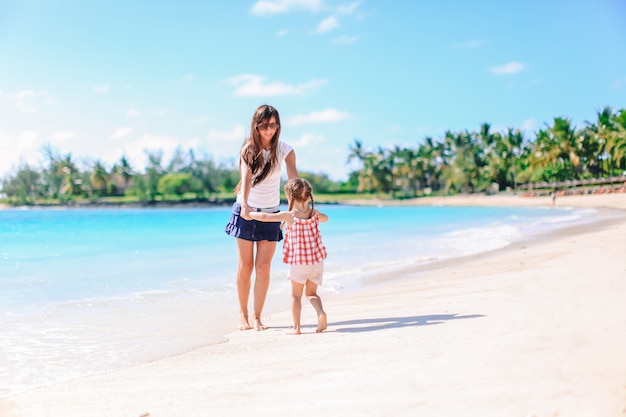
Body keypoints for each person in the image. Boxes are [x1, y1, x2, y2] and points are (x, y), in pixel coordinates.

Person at [224, 105, 298, 331]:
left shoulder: (285, 150)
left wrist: (292, 212)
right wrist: (244, 203)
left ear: (278, 126)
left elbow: (293, 184)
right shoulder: (248, 149)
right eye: (264, 125)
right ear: (256, 125)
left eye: (273, 125)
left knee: (263, 267)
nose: (269, 130)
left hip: (273, 212)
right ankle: (243, 315)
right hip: (247, 210)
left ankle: (257, 317)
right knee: (245, 266)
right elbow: (246, 178)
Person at [249, 178, 328, 334]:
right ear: (308, 196)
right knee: (312, 294)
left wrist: (250, 214)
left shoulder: (289, 216)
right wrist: (318, 214)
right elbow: (326, 218)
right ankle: (321, 313)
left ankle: (297, 328)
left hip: (300, 264)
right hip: (317, 262)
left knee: (295, 296)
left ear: (290, 197)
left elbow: (265, 217)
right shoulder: (313, 213)